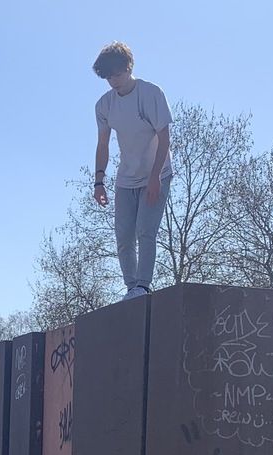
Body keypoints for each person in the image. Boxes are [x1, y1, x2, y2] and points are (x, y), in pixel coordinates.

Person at [91, 41, 173, 299]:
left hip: (156, 173)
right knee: (124, 236)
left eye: (117, 74)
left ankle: (142, 285)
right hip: (126, 178)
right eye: (108, 77)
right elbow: (103, 144)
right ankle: (131, 289)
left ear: (128, 68)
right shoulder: (104, 105)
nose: (113, 81)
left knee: (145, 230)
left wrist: (155, 177)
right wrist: (99, 182)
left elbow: (164, 138)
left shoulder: (150, 93)